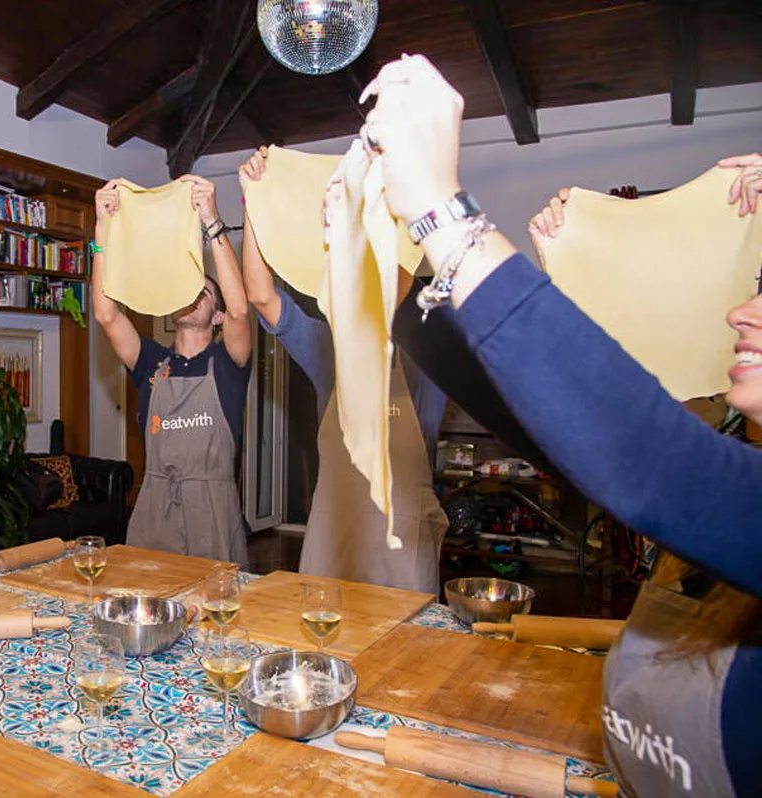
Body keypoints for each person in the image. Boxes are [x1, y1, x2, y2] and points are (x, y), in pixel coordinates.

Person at [358, 53, 761, 796]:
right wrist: (394, 262)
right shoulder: (737, 450)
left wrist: (445, 213)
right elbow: (554, 432)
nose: (743, 312)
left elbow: (648, 461)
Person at [237, 146, 448, 592]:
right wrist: (254, 204)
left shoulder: (432, 344)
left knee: (406, 654)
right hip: (335, 529)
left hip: (402, 537)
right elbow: (260, 296)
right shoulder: (326, 344)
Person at [92, 175, 252, 566]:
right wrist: (102, 230)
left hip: (213, 513)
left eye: (203, 290)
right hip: (153, 513)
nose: (192, 293)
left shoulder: (228, 364)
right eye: (187, 286)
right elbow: (105, 313)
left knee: (216, 620)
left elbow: (241, 310)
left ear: (216, 316)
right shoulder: (150, 362)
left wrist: (211, 221)